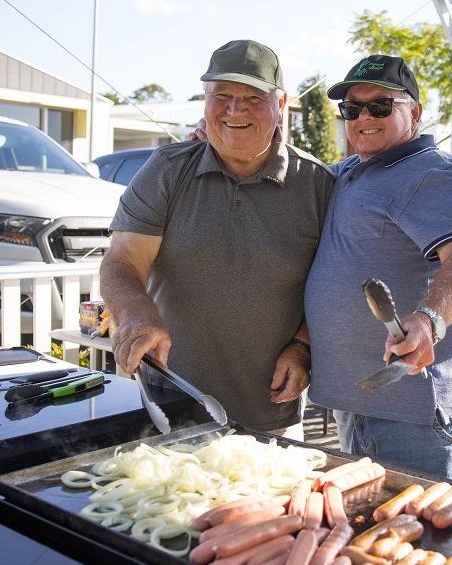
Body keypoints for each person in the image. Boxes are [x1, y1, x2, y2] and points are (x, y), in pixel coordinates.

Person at [100, 39, 333, 438]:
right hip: (167, 408)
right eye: (221, 95)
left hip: (273, 413)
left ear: (282, 103)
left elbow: (332, 285)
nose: (235, 110)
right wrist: (136, 312)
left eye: (253, 98)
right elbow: (122, 262)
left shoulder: (317, 184)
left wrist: (303, 346)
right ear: (205, 101)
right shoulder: (166, 170)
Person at [305, 55, 452, 481]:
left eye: (380, 106)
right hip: (359, 401)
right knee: (373, 533)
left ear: (415, 113)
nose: (363, 117)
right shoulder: (351, 171)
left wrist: (430, 320)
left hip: (412, 409)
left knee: (424, 535)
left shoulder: (434, 174)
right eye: (351, 108)